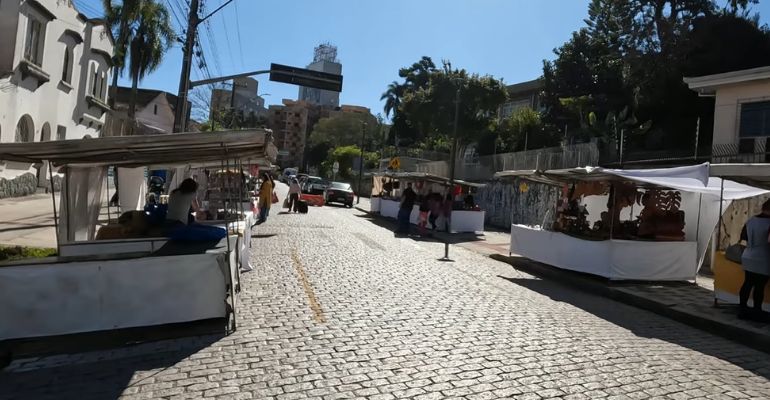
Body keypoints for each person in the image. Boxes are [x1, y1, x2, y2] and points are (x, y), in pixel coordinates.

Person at [739, 199, 770, 321]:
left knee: (747, 283)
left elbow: (743, 236)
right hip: (763, 256)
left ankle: (742, 309)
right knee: (760, 286)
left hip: (748, 255)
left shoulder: (751, 220)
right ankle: (757, 310)